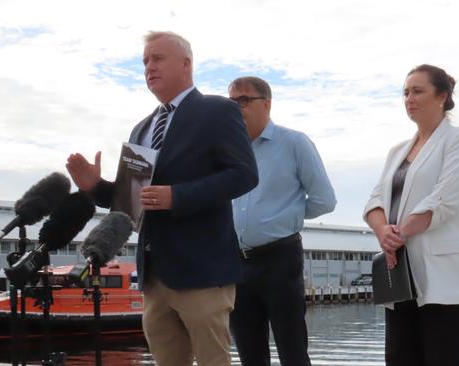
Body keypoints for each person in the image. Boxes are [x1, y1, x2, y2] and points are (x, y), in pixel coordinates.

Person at [66, 31, 258, 366]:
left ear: (186, 64)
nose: (149, 67)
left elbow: (244, 174)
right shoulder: (141, 128)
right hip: (154, 275)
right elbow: (132, 201)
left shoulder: (218, 111)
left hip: (203, 271)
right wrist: (95, 187)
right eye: (144, 62)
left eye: (157, 58)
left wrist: (177, 196)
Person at [363, 64, 459, 366]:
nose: (409, 98)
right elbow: (375, 200)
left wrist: (399, 234)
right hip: (401, 278)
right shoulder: (397, 151)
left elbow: (445, 200)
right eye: (405, 92)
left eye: (418, 91)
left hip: (450, 282)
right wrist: (384, 233)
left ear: (442, 96)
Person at [228, 76, 336, 366]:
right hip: (237, 263)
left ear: (267, 103)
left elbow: (325, 200)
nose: (236, 107)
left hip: (280, 258)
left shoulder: (294, 143)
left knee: (292, 350)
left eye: (243, 100)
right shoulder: (228, 152)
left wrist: (285, 216)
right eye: (231, 101)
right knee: (249, 352)